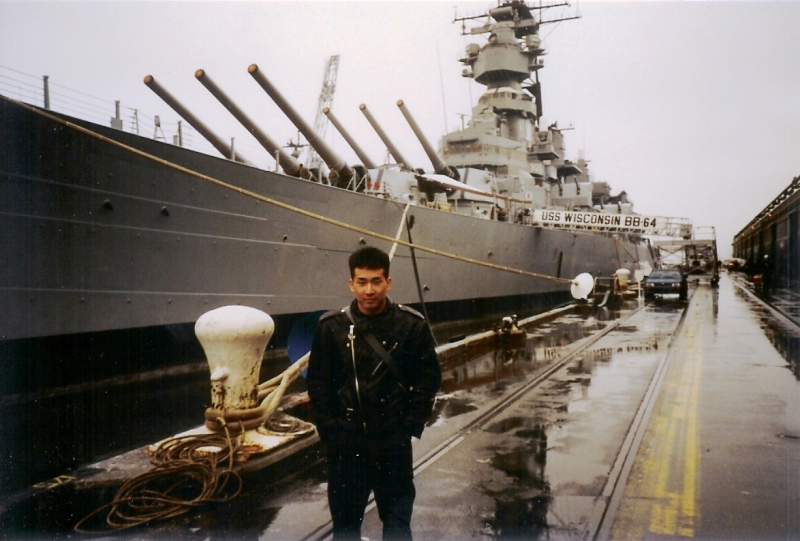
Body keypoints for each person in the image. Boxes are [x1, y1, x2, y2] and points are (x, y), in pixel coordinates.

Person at [307, 246, 442, 540]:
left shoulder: (410, 325)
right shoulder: (332, 328)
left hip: (391, 442)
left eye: (377, 281)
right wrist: (330, 431)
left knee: (397, 525)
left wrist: (410, 425)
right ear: (351, 284)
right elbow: (318, 384)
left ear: (388, 283)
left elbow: (428, 378)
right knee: (345, 528)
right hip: (347, 445)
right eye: (363, 282)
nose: (370, 290)